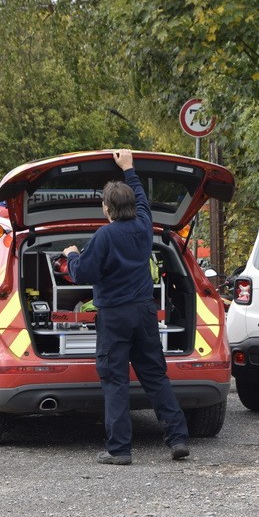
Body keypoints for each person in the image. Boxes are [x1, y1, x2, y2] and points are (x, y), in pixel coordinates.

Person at [63, 149, 190, 465]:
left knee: (115, 380)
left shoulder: (104, 236)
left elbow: (82, 274)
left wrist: (72, 255)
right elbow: (143, 202)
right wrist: (130, 169)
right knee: (156, 377)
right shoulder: (144, 226)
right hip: (145, 313)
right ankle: (177, 439)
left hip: (115, 316)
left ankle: (119, 450)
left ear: (106, 209)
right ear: (132, 205)